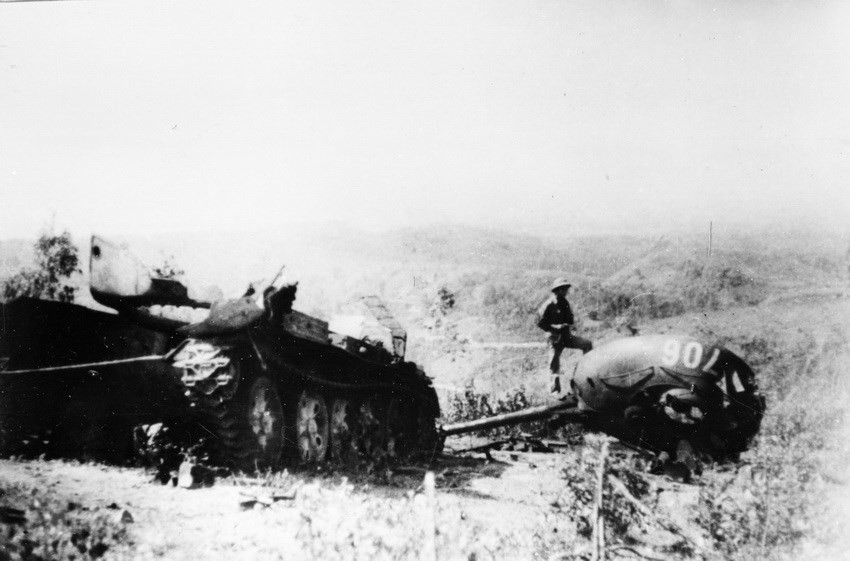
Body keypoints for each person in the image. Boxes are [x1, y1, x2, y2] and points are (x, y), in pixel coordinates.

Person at [537, 278, 593, 396]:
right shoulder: (548, 305)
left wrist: (569, 324)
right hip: (555, 339)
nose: (566, 291)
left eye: (566, 289)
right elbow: (540, 323)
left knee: (587, 345)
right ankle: (554, 393)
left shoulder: (565, 302)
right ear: (557, 290)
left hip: (566, 337)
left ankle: (586, 375)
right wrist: (556, 327)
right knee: (554, 365)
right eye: (563, 289)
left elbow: (570, 319)